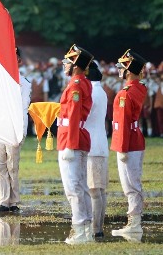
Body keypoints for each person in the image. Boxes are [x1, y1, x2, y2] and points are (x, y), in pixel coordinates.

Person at [56, 44, 94, 244]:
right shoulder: (80, 83)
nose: (64, 65)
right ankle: (85, 227)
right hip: (74, 135)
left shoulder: (76, 85)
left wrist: (69, 144)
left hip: (72, 138)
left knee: (73, 187)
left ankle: (79, 228)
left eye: (67, 62)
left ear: (76, 65)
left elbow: (73, 115)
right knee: (80, 186)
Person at [110, 49, 147, 238]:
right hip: (134, 139)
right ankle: (134, 220)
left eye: (122, 67)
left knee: (130, 184)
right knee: (133, 183)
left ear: (129, 70)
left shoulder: (126, 92)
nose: (119, 70)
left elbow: (123, 122)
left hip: (128, 142)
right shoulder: (137, 88)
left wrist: (122, 147)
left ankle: (134, 221)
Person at [0, 47, 32, 213]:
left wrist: (20, 131)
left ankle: (14, 201)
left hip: (14, 127)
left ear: (19, 61)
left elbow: (23, 108)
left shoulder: (24, 83)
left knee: (12, 166)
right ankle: (3, 200)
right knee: (0, 165)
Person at [86, 61, 109, 238]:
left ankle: (96, 229)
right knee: (99, 190)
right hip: (100, 143)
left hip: (92, 145)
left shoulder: (91, 92)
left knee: (94, 190)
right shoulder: (100, 91)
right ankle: (98, 227)